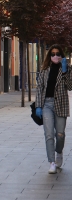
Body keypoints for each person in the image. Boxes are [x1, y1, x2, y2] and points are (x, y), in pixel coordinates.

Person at [35, 44, 72, 174]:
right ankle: (52, 162)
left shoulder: (67, 68)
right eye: (53, 54)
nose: (55, 56)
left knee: (60, 134)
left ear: (61, 55)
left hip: (61, 104)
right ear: (49, 56)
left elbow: (70, 86)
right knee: (49, 134)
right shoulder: (44, 70)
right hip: (47, 105)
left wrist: (65, 71)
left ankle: (59, 152)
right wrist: (38, 106)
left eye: (57, 54)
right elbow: (40, 88)